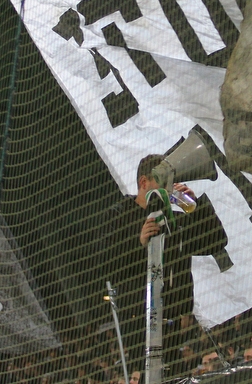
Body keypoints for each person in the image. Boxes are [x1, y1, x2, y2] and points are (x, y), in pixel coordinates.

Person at [94, 155, 197, 374]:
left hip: (171, 316)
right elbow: (104, 267)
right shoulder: (118, 215)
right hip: (137, 319)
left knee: (174, 372)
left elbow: (214, 241)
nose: (169, 188)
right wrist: (138, 243)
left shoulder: (172, 214)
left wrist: (196, 208)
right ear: (144, 182)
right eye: (163, 181)